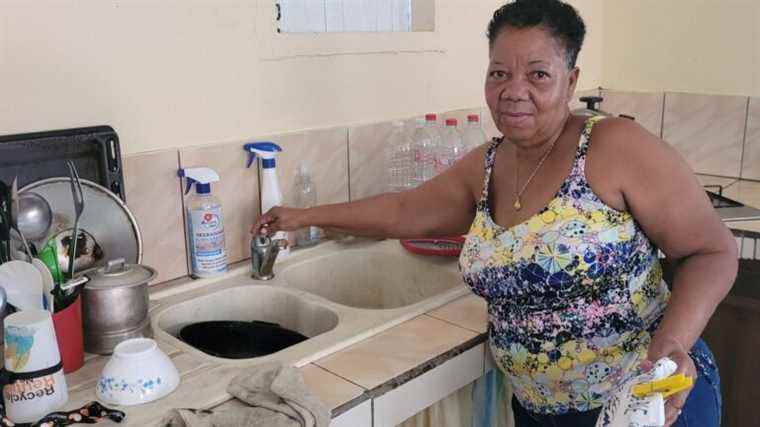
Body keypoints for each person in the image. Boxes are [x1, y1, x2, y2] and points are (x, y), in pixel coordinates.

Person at [252, 1, 737, 425]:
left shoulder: (614, 148)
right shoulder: (487, 164)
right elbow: (404, 211)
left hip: (646, 404)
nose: (513, 89)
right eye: (499, 72)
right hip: (539, 411)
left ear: (571, 81)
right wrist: (304, 215)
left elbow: (711, 251)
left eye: (538, 74)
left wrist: (672, 345)